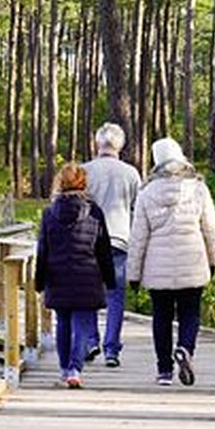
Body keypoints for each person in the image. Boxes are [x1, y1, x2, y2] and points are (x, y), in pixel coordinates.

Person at [126, 137, 215, 387]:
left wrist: (133, 274)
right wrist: (213, 260)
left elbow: (138, 237)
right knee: (190, 313)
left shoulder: (146, 193)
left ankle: (164, 371)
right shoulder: (198, 188)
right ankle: (185, 348)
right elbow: (210, 229)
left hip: (158, 266)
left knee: (161, 317)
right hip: (193, 259)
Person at [35, 162, 117, 389]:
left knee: (62, 323)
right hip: (87, 276)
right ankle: (75, 369)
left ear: (59, 184)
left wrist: (39, 281)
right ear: (83, 183)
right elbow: (103, 250)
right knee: (81, 325)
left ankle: (64, 368)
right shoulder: (94, 211)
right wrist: (109, 280)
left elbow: (43, 250)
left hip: (58, 277)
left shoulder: (49, 214)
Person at [82, 122, 141, 368]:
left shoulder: (84, 171)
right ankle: (111, 350)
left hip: (88, 241)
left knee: (87, 295)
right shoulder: (131, 173)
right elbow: (138, 210)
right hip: (119, 241)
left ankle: (90, 340)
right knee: (115, 297)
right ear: (120, 145)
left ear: (98, 143)